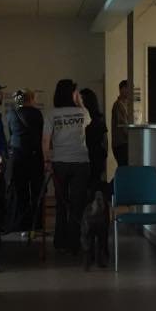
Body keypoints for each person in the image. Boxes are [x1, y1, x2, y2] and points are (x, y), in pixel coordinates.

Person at [43, 79, 90, 253]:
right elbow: (90, 123)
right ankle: (74, 241)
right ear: (72, 94)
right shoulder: (83, 112)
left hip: (59, 163)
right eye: (75, 92)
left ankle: (59, 240)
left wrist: (47, 161)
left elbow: (45, 140)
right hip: (80, 162)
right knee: (77, 204)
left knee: (61, 203)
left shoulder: (51, 114)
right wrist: (80, 102)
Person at [4, 89, 44, 234]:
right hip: (34, 156)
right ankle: (36, 225)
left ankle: (22, 226)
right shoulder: (37, 114)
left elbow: (11, 134)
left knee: (21, 192)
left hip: (17, 157)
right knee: (36, 191)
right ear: (31, 98)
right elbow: (40, 134)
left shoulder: (11, 114)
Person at [111, 79, 132, 167]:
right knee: (124, 169)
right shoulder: (118, 105)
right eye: (129, 88)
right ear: (122, 89)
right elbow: (123, 125)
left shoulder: (127, 105)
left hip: (124, 143)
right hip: (121, 144)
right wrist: (133, 137)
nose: (130, 92)